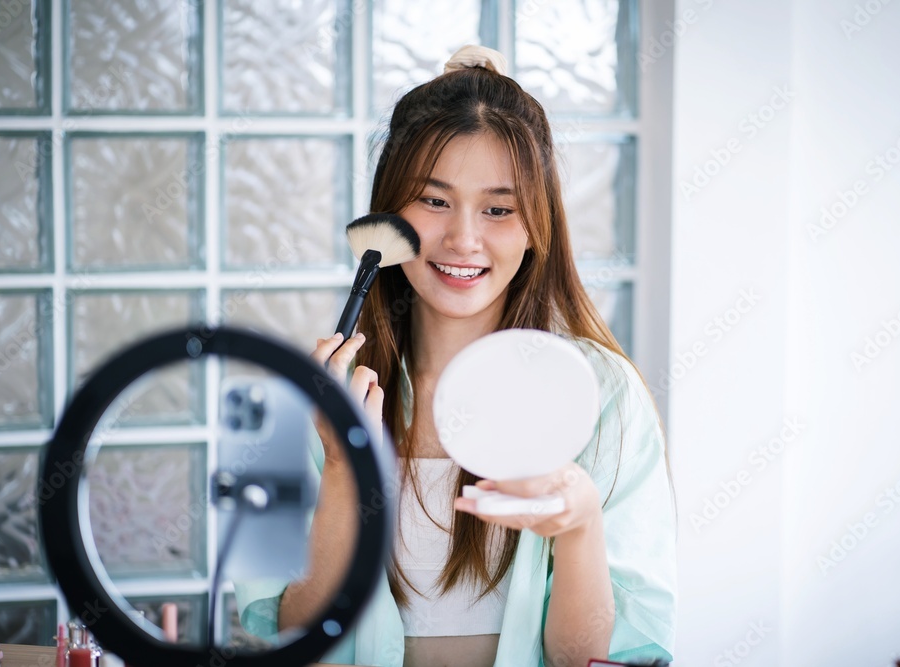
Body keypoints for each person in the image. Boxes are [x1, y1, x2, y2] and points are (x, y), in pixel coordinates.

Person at [235, 45, 676, 667]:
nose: (463, 239)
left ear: (536, 227)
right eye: (434, 201)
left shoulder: (602, 395)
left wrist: (580, 527)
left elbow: (588, 659)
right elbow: (290, 634)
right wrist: (340, 464)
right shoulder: (314, 395)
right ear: (389, 212)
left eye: (498, 209)